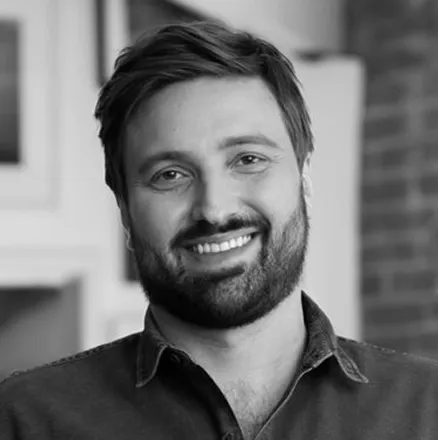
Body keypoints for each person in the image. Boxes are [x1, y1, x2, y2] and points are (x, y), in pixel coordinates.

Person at [1, 20, 438, 440]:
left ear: (304, 179)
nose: (214, 209)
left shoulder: (428, 408)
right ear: (125, 212)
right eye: (170, 175)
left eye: (248, 159)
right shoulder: (25, 421)